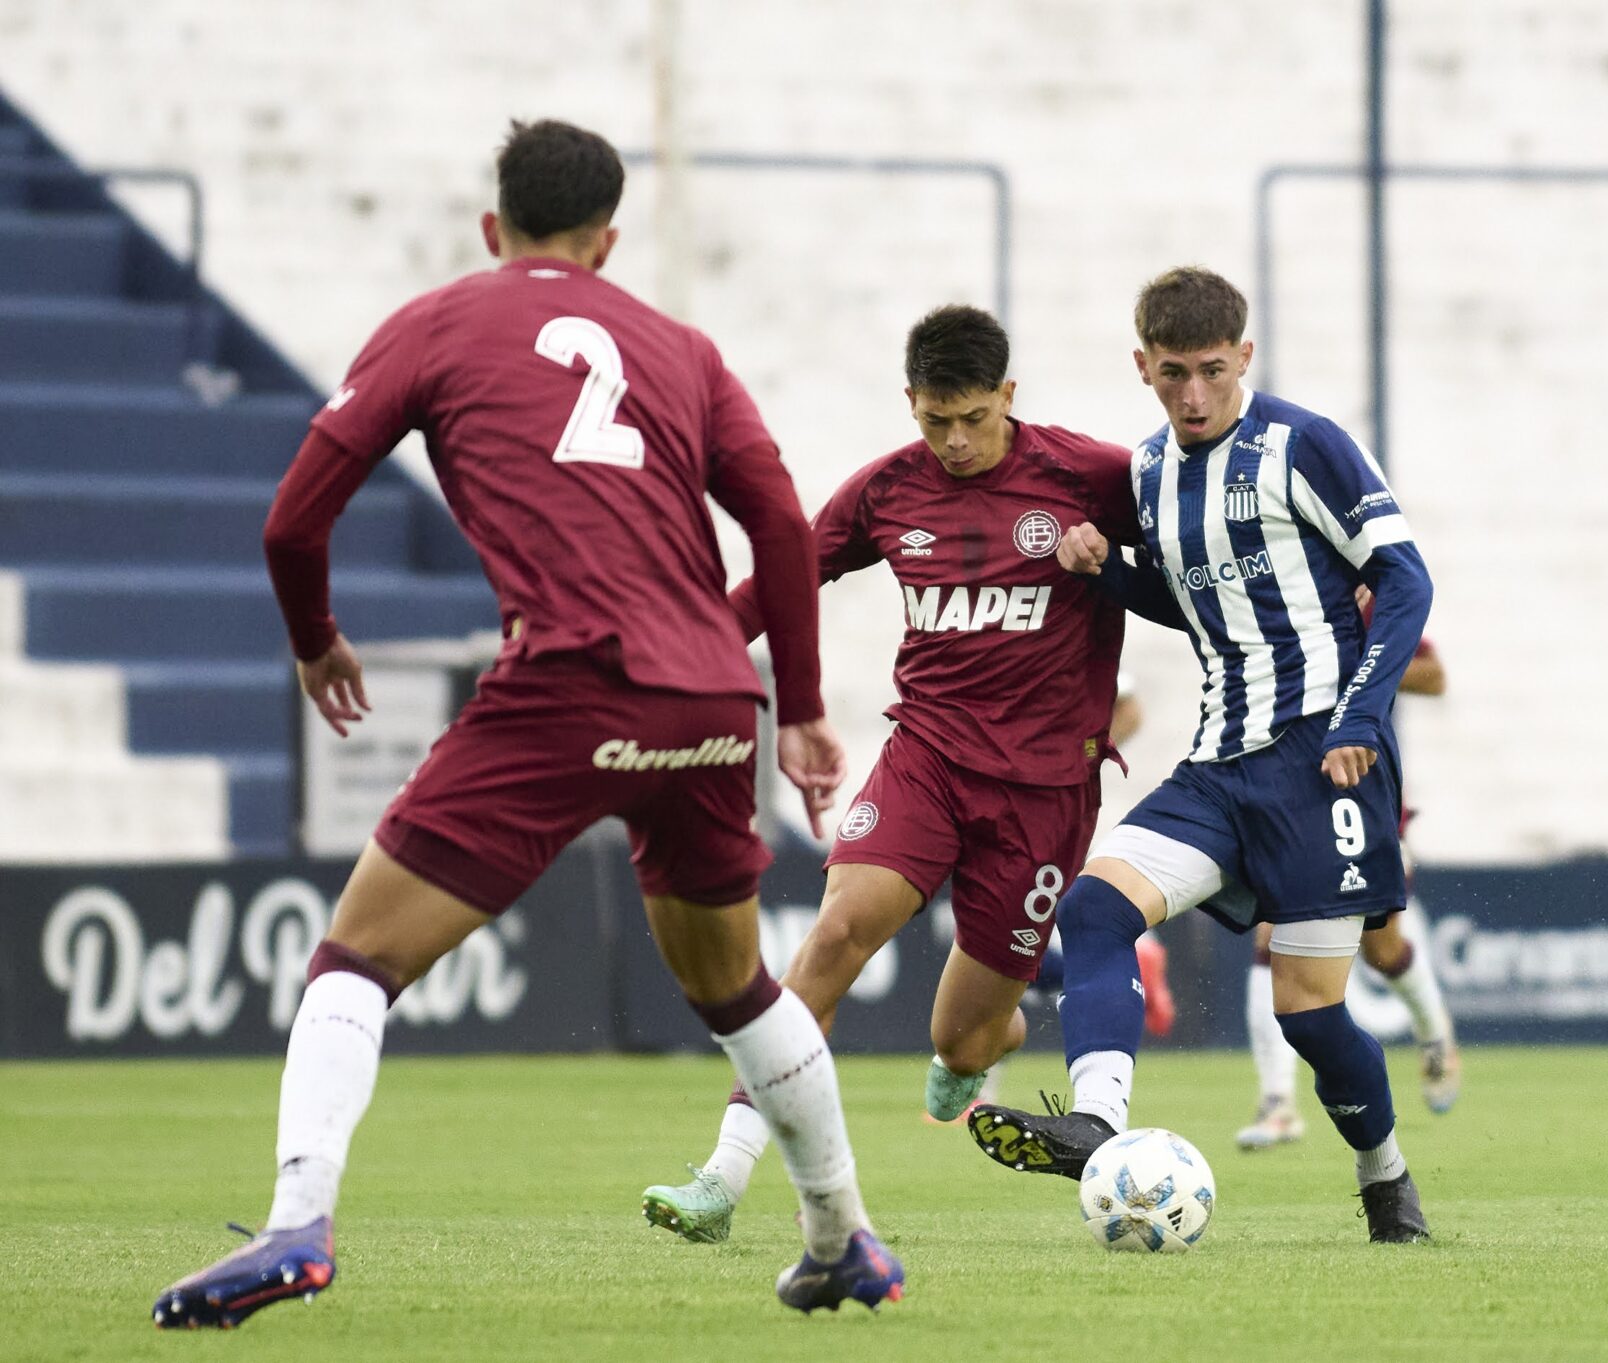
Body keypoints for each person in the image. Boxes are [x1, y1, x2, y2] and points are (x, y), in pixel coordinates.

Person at [151, 120, 902, 1327]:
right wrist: (802, 709)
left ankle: (297, 1226)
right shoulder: (684, 348)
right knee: (735, 987)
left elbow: (292, 523)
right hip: (711, 696)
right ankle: (843, 1239)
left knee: (356, 957)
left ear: (492, 228)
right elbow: (777, 527)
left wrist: (314, 639)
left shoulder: (440, 321)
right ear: (609, 239)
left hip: (570, 679)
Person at [642, 305, 1137, 1242]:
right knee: (834, 937)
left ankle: (984, 1042)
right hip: (928, 759)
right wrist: (678, 648)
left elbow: (1195, 550)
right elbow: (785, 575)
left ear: (1009, 398)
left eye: (973, 419)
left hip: (1042, 798)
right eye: (933, 419)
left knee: (963, 1035)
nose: (953, 441)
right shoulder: (888, 491)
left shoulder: (1090, 475)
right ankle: (723, 1174)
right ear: (910, 402)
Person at [965, 265, 1436, 1242]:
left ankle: (1383, 1177)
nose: (1191, 394)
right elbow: (1189, 603)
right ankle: (1098, 1120)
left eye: (1211, 371)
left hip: (1322, 761)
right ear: (1141, 365)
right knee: (1092, 907)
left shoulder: (1305, 446)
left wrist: (1361, 718)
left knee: (1309, 1016)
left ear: (1244, 359)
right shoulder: (1145, 472)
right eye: (1171, 372)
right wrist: (1106, 577)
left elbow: (1402, 578)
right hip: (1219, 764)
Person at [1239, 622, 1459, 1150]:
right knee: (1270, 934)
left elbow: (1434, 677)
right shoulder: (1263, 591)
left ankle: (1435, 1033)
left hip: (1365, 796)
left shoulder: (1370, 597)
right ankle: (1278, 1104)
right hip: (1287, 796)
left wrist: (1354, 666)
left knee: (1383, 950)